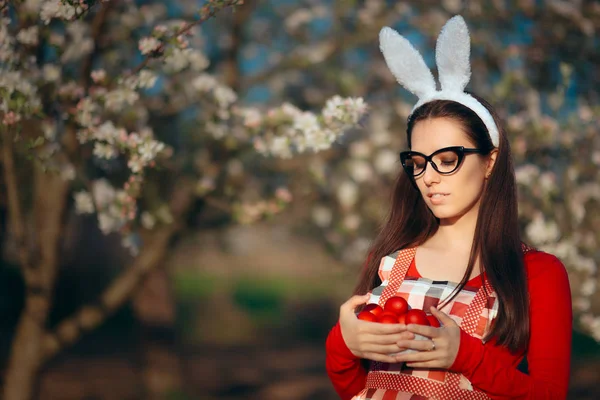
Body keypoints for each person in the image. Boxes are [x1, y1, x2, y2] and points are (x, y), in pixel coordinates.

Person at [325, 15, 572, 400]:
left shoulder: (536, 274)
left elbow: (549, 395)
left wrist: (466, 356)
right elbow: (360, 389)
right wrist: (344, 343)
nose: (429, 177)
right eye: (419, 162)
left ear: (489, 161)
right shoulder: (389, 260)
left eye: (447, 158)